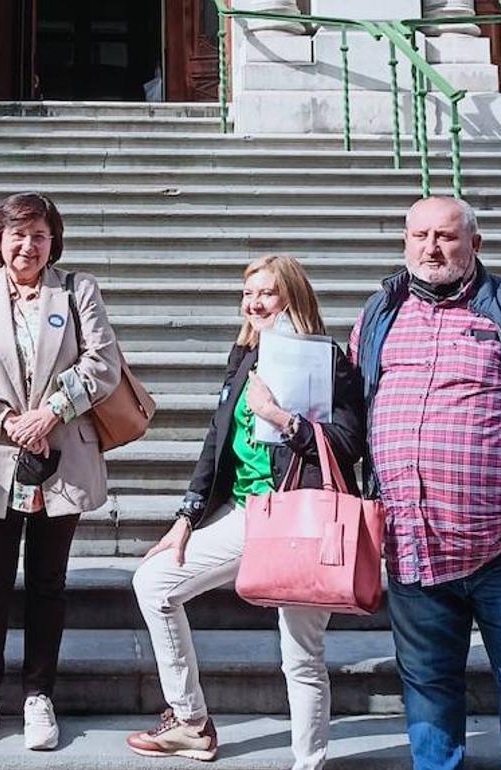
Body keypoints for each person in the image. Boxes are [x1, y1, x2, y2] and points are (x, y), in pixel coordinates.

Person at [349, 196, 501, 770]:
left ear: (475, 244)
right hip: (413, 550)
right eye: (419, 236)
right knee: (429, 691)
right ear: (405, 242)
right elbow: (354, 403)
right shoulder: (379, 311)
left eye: (446, 236)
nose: (431, 248)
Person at [127, 255, 365, 768]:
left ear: (292, 298)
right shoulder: (245, 355)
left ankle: (309, 762)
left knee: (301, 655)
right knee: (154, 583)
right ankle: (191, 721)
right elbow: (217, 442)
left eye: (267, 294)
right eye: (248, 293)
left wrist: (281, 418)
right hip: (244, 514)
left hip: (300, 517)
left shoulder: (327, 359)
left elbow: (348, 443)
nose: (254, 304)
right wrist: (187, 517)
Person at [0, 192, 122, 751]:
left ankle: (39, 694)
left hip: (60, 452)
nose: (28, 245)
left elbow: (103, 362)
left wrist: (52, 412)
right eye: (18, 234)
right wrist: (5, 419)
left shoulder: (77, 290)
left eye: (39, 235)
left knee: (48, 583)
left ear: (53, 242)